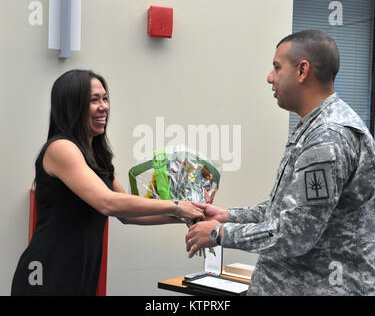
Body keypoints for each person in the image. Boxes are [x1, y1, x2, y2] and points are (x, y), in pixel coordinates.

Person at [185, 30, 375, 295]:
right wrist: (228, 216)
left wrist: (220, 234)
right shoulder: (314, 128)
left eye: (277, 67)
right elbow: (288, 211)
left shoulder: (327, 137)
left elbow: (296, 233)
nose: (269, 77)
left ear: (302, 70)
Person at [11, 69, 204, 296]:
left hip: (81, 272)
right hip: (46, 272)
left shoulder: (96, 155)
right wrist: (177, 205)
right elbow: (107, 203)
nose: (104, 106)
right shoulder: (61, 148)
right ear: (72, 105)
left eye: (105, 98)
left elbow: (126, 212)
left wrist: (189, 215)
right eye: (94, 100)